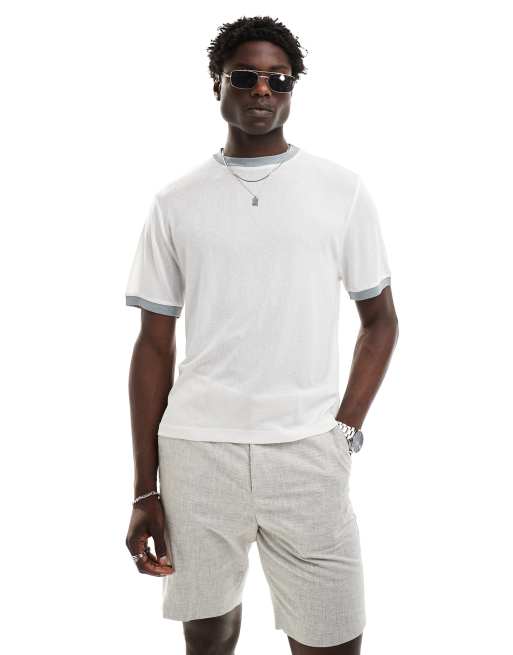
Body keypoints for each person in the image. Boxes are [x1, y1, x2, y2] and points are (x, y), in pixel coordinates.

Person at [124, 15, 399, 655]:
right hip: (198, 452)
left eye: (279, 78)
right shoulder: (176, 202)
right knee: (210, 634)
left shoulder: (341, 191)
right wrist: (144, 488)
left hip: (308, 452)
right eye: (245, 77)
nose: (263, 90)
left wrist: (346, 429)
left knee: (333, 637)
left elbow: (381, 320)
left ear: (293, 87)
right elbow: (153, 345)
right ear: (217, 85)